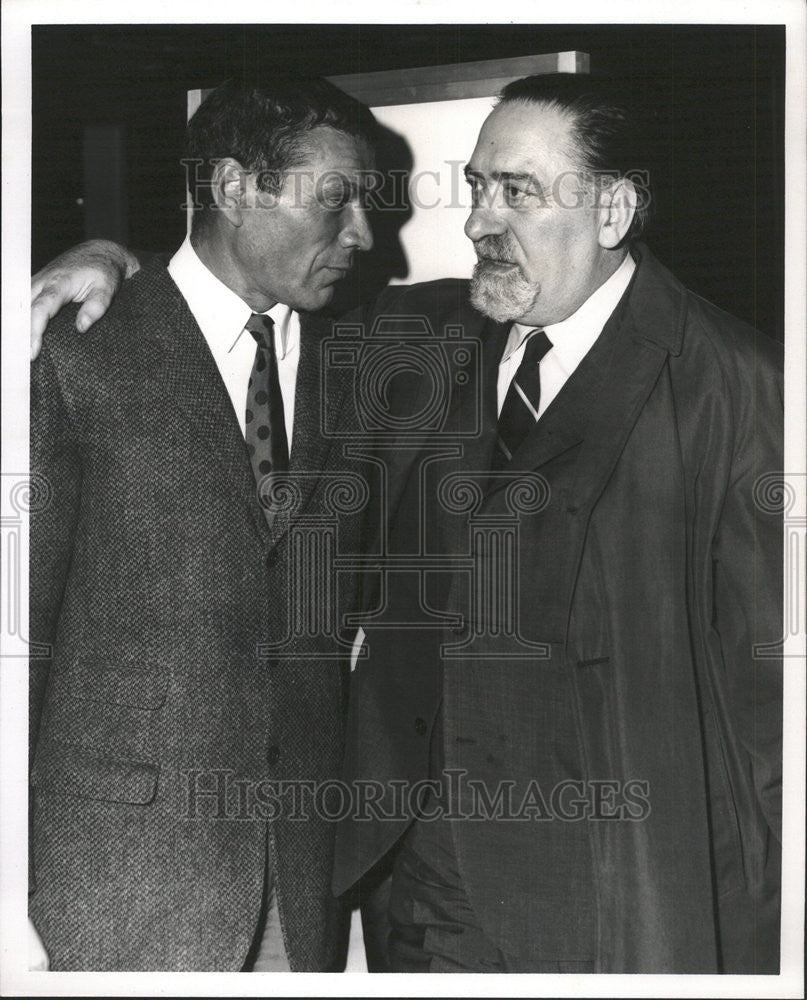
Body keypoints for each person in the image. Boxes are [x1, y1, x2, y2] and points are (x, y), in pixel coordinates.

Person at [30, 73, 783, 975]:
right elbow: (222, 301)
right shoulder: (416, 336)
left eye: (517, 192)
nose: (476, 223)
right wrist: (111, 257)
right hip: (412, 893)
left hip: (610, 900)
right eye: (475, 189)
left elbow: (770, 728)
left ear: (613, 209)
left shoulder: (741, 386)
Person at [28, 76, 377, 971]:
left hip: (297, 889)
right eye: (335, 201)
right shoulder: (70, 352)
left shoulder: (357, 361)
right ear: (231, 188)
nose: (363, 235)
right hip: (109, 880)